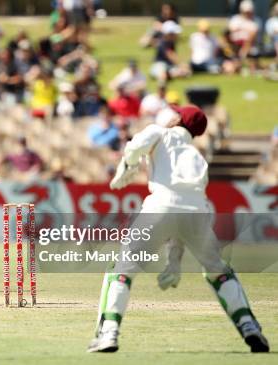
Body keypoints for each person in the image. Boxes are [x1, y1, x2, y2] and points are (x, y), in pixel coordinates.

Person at [87, 105, 270, 353]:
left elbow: (134, 146)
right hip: (197, 212)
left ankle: (108, 333)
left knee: (121, 270)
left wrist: (127, 167)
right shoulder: (197, 157)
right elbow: (184, 210)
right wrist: (174, 261)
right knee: (218, 271)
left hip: (159, 206)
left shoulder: (159, 132)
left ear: (177, 119)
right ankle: (249, 326)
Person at [228, 0, 260, 73]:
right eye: (246, 12)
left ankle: (244, 64)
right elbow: (231, 31)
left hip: (250, 46)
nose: (247, 14)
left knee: (251, 50)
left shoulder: (256, 20)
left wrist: (245, 48)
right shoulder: (235, 19)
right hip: (235, 46)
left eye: (249, 11)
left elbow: (253, 35)